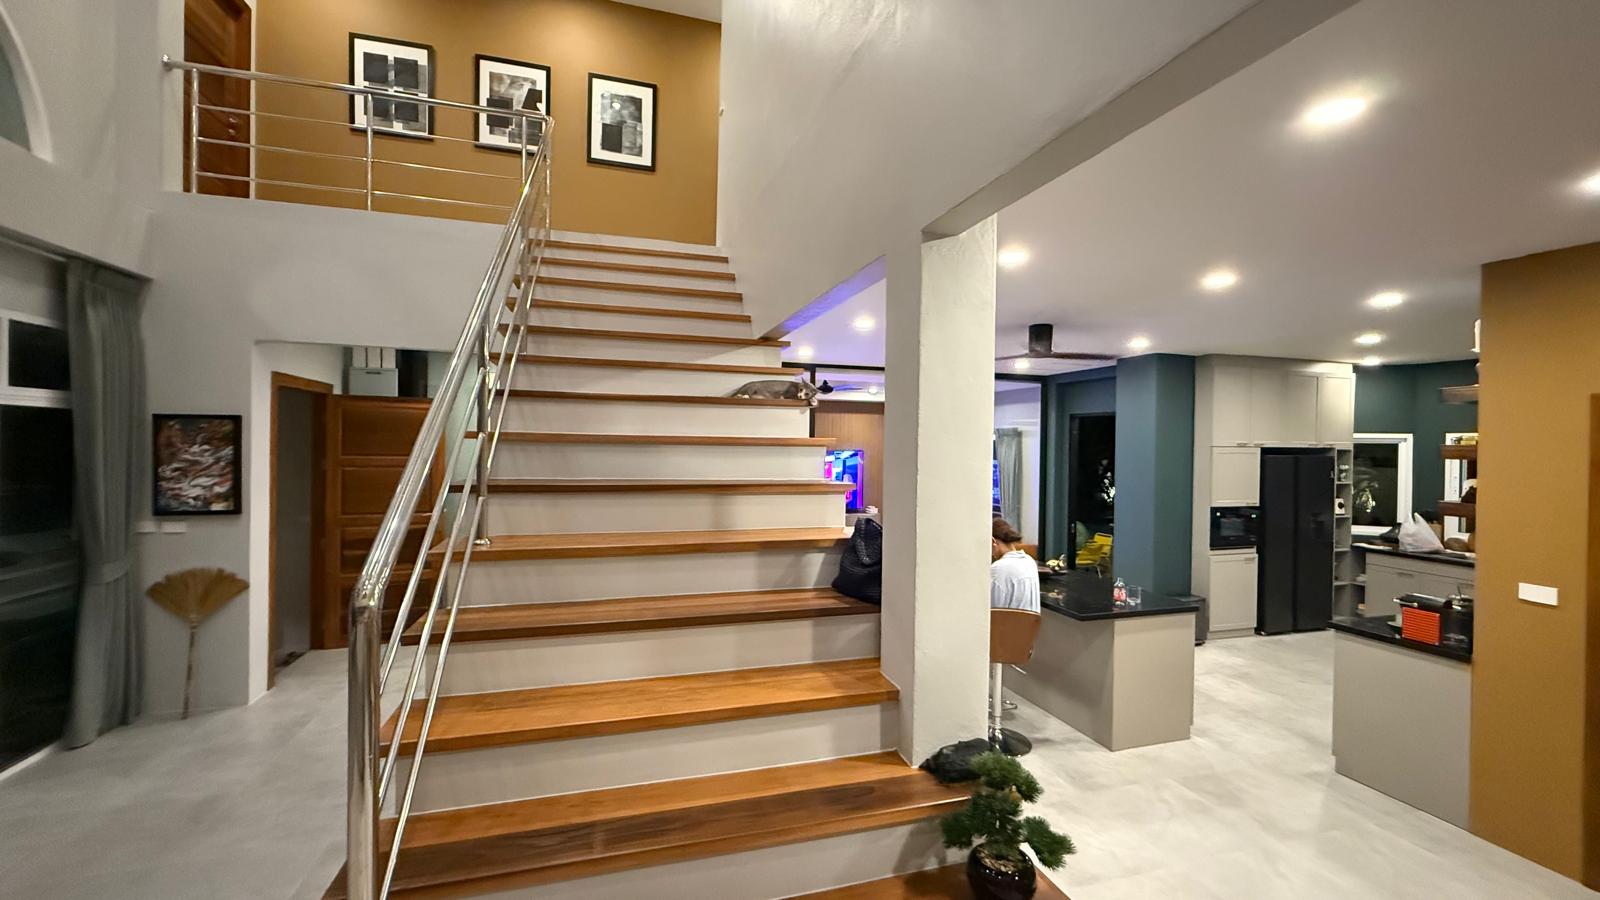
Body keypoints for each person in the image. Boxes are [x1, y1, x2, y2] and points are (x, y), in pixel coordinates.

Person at [990, 517, 1040, 613]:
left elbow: (991, 612)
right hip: (1029, 623)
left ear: (993, 541)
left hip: (1005, 622)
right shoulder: (1030, 562)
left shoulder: (998, 569)